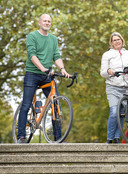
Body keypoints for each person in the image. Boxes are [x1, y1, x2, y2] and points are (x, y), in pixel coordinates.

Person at [17, 14, 70, 143]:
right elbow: (32, 55)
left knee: (55, 104)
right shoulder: (32, 36)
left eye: (49, 21)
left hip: (47, 75)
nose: (47, 23)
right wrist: (42, 68)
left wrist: (62, 69)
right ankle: (21, 136)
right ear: (39, 23)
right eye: (45, 21)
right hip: (32, 73)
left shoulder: (53, 39)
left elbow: (56, 56)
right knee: (26, 105)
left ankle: (58, 139)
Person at [100, 32, 128, 144]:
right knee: (114, 112)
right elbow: (102, 72)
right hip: (112, 87)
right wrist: (108, 71)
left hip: (125, 87)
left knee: (122, 113)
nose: (117, 41)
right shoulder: (107, 55)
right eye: (114, 40)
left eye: (118, 39)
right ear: (111, 42)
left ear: (122, 40)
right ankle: (109, 138)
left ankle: (117, 137)